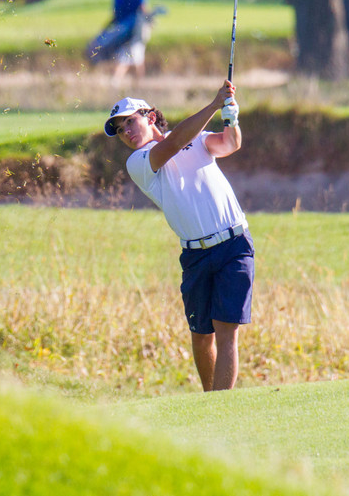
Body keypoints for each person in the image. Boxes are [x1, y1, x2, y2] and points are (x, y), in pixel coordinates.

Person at [104, 80, 253, 391]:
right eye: (119, 130)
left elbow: (230, 144)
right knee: (201, 336)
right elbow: (171, 145)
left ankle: (220, 409)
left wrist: (231, 118)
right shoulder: (138, 162)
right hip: (195, 255)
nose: (126, 132)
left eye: (129, 122)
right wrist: (214, 105)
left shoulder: (195, 138)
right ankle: (210, 400)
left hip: (234, 244)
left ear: (150, 116)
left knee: (226, 331)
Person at [109, 0, 151, 82]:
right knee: (136, 56)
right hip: (136, 29)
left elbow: (115, 12)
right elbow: (143, 8)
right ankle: (139, 83)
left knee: (125, 55)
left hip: (121, 28)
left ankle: (116, 81)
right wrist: (150, 20)